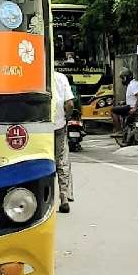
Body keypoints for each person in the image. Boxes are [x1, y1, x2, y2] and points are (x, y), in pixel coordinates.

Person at [52, 69, 76, 213]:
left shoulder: (35, 75)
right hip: (59, 126)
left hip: (38, 127)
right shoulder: (61, 78)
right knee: (62, 160)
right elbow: (70, 104)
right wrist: (66, 117)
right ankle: (64, 197)